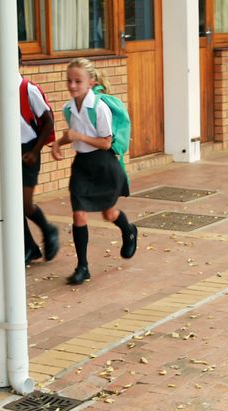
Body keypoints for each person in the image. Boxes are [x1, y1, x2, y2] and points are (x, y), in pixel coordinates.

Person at [50, 58, 137, 285]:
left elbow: (106, 143)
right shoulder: (68, 108)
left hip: (103, 165)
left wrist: (78, 136)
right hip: (82, 166)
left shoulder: (99, 108)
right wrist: (59, 143)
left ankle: (128, 230)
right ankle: (82, 267)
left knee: (109, 214)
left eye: (77, 81)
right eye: (69, 81)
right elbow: (73, 136)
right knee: (79, 214)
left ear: (90, 82)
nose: (72, 86)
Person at [16, 48, 60, 265]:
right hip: (8, 151)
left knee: (24, 204)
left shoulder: (27, 89)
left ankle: (48, 229)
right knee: (12, 204)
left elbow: (49, 122)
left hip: (29, 150)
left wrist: (34, 151)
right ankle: (29, 247)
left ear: (19, 61)